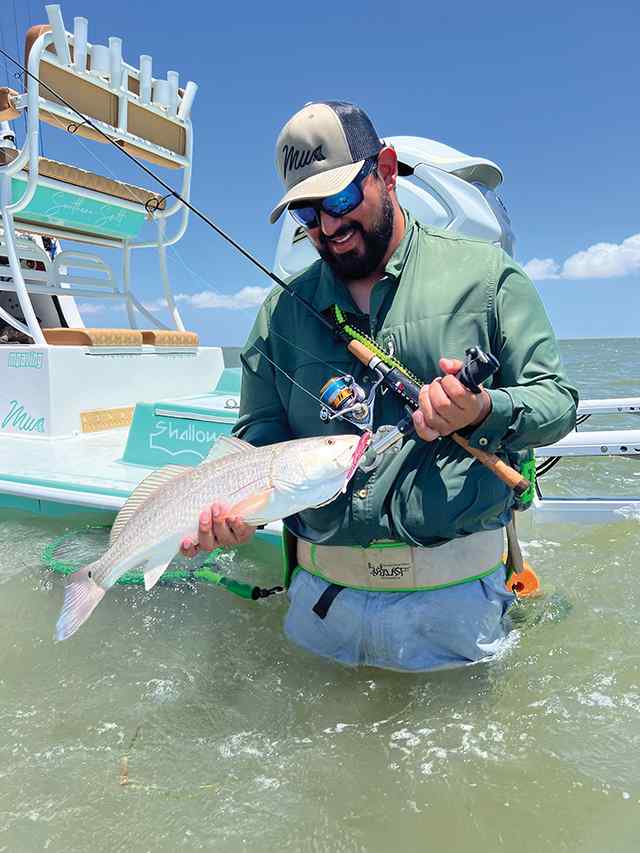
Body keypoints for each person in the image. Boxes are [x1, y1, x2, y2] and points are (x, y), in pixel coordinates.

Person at [181, 101, 578, 671]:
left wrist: (483, 408)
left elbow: (557, 402)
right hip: (319, 610)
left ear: (386, 170)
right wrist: (233, 512)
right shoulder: (279, 313)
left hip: (456, 608)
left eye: (341, 200)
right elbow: (259, 436)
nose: (328, 228)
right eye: (307, 215)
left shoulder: (487, 278)